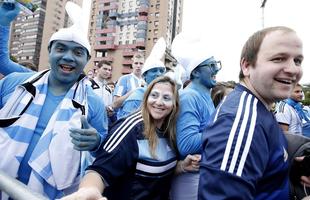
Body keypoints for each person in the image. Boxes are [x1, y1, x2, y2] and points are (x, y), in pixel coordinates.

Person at [0, 2, 108, 199]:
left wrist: (96, 142)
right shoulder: (16, 84)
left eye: (77, 52)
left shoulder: (94, 103)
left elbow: (103, 150)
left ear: (87, 59)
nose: (68, 57)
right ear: (49, 51)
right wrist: (3, 22)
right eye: (61, 49)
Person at [198, 26, 310, 199]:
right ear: (247, 66)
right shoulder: (239, 121)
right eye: (278, 58)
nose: (293, 69)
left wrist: (291, 168)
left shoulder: (260, 107)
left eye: (297, 61)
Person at [60, 76, 201, 200]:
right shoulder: (131, 128)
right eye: (154, 95)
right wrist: (88, 191)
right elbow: (99, 170)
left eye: (166, 98)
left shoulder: (169, 129)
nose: (159, 102)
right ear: (146, 99)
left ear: (174, 104)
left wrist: (182, 166)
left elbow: (158, 169)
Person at [169, 33, 221, 200]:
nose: (216, 69)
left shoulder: (204, 95)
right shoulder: (189, 97)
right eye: (211, 65)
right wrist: (223, 129)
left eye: (216, 64)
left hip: (204, 175)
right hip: (191, 179)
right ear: (196, 72)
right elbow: (187, 144)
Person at [117, 37, 166, 119]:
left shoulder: (164, 96)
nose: (158, 74)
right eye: (154, 71)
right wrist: (133, 93)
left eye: (161, 71)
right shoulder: (125, 81)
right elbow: (116, 104)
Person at [112, 52, 145, 119]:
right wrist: (132, 93)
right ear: (132, 65)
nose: (138, 66)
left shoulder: (146, 81)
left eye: (141, 63)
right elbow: (115, 103)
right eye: (136, 63)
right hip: (125, 119)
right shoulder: (123, 79)